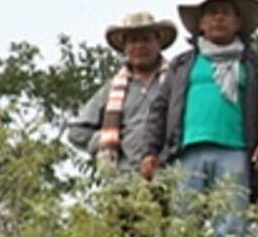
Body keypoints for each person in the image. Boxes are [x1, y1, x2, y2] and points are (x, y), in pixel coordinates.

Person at [140, 0, 258, 237]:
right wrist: (150, 151)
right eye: (211, 13)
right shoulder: (183, 64)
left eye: (225, 12)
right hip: (187, 153)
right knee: (184, 223)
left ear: (238, 21)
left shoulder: (255, 64)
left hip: (236, 151)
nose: (219, 18)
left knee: (231, 225)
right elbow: (159, 109)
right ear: (201, 24)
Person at [69, 11, 177, 174]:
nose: (139, 46)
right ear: (125, 48)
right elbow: (76, 132)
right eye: (133, 41)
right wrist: (108, 138)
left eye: (146, 39)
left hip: (171, 173)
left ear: (158, 43)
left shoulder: (176, 80)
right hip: (125, 178)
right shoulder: (112, 89)